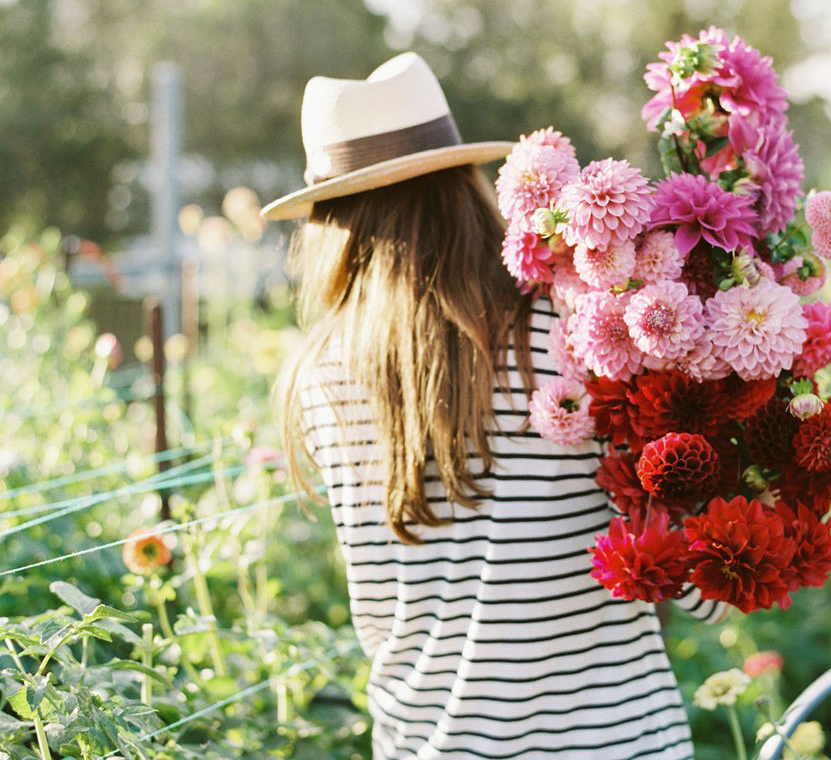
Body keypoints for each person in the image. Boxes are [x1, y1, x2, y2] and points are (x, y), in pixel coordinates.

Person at [265, 52, 727, 760]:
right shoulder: (579, 332)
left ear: (333, 218)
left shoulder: (322, 373)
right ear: (467, 182)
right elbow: (701, 586)